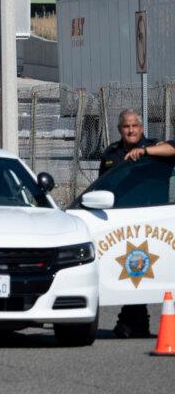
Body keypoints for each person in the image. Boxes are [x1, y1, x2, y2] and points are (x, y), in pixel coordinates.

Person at [98, 109, 156, 338]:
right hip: (119, 218)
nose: (130, 130)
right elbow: (103, 184)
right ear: (119, 129)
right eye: (126, 126)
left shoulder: (154, 148)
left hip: (148, 217)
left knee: (137, 267)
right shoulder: (112, 153)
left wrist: (145, 151)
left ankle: (131, 321)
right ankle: (134, 321)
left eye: (134, 126)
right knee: (129, 268)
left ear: (141, 128)